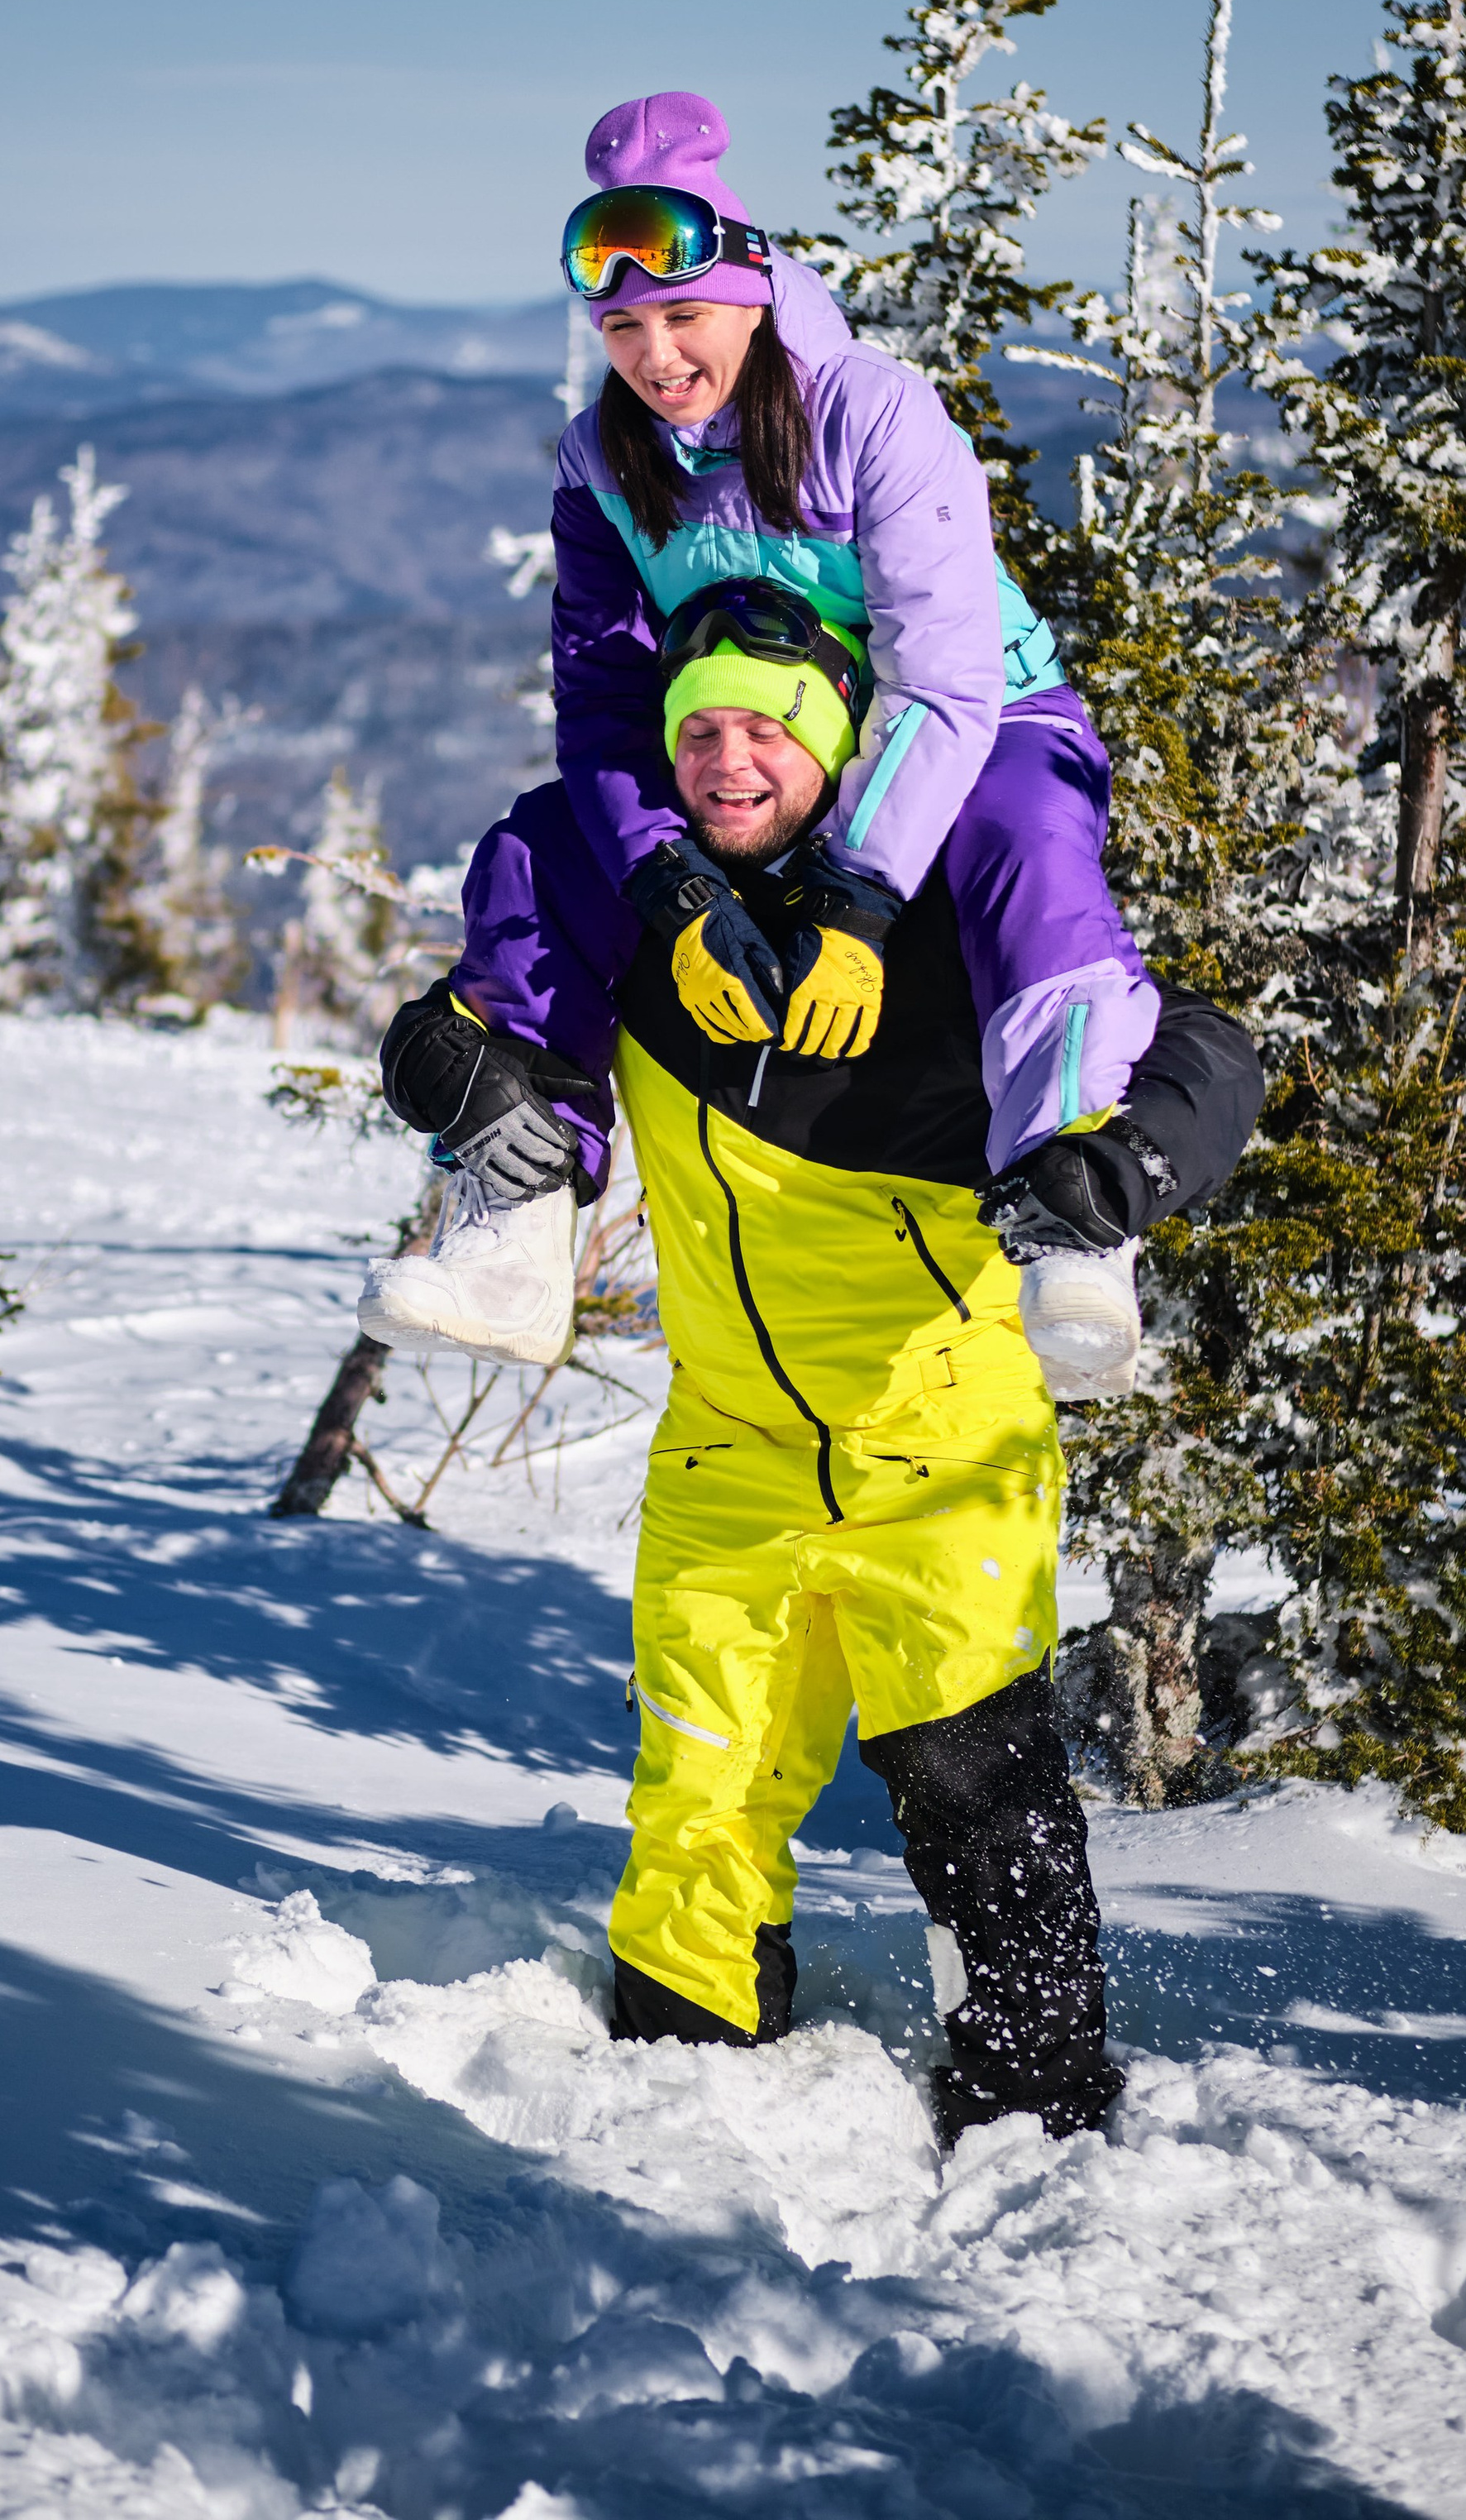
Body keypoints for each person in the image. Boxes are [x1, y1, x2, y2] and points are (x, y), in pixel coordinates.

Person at [370, 599, 1263, 2141]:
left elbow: (1204, 1056)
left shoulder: (946, 904)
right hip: (729, 1444)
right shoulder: (646, 912)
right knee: (700, 1787)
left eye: (770, 728)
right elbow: (479, 1024)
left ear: (849, 742)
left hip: (946, 1442)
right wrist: (443, 1071)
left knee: (977, 1785)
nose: (730, 761)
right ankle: (685, 2073)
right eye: (700, 728)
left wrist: (1120, 1173)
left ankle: (1039, 2105)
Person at [358, 88, 1161, 1393]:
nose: (655, 354)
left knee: (1024, 845)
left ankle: (1073, 1219)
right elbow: (610, 704)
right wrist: (668, 883)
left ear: (753, 292)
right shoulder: (603, 463)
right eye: (621, 326)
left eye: (683, 315)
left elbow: (943, 682)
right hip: (758, 741)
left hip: (979, 725)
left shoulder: (871, 414)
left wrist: (852, 898)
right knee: (542, 850)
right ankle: (512, 1222)